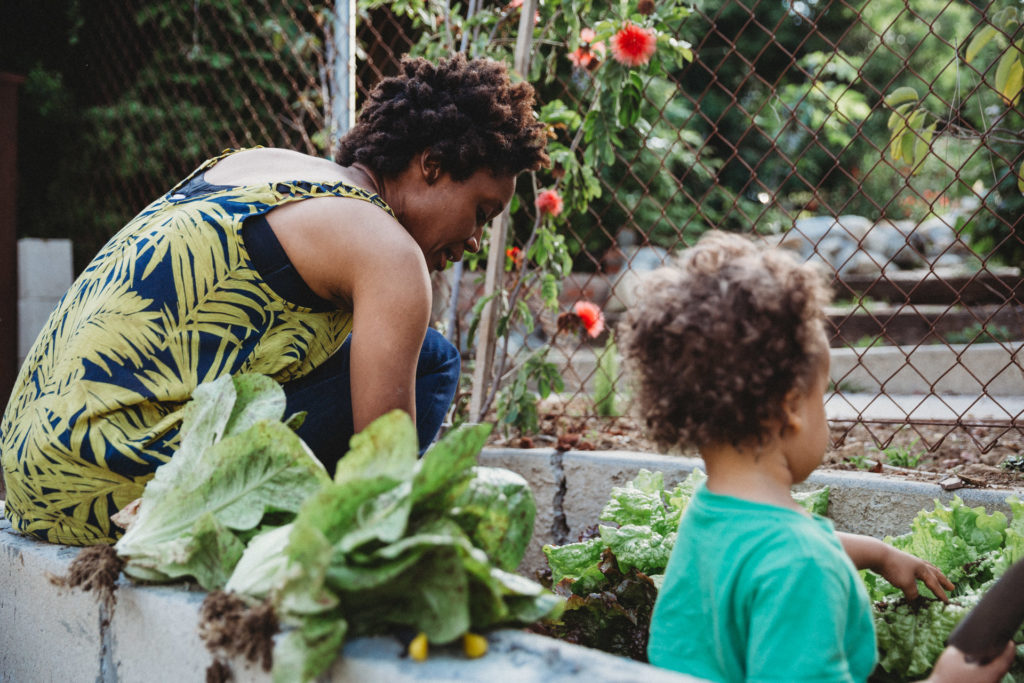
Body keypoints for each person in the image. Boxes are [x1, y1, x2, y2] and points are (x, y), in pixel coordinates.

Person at [0, 54, 549, 546]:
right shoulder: (389, 253)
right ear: (431, 165)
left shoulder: (261, 166)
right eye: (481, 212)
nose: (476, 240)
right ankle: (309, 550)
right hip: (113, 491)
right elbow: (387, 476)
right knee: (432, 363)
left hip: (34, 467)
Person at [618, 231, 1016, 683]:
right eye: (820, 397)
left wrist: (878, 554)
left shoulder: (709, 512)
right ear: (791, 407)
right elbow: (791, 560)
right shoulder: (803, 566)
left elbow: (763, 554)